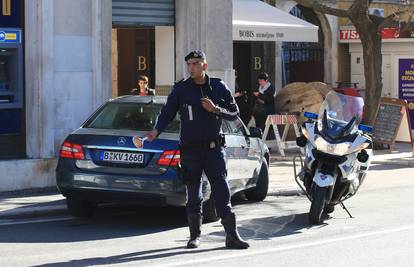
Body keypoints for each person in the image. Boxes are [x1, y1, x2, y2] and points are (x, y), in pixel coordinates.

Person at [146, 50, 249, 250]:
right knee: (193, 193)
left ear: (204, 65)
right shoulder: (181, 89)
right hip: (190, 151)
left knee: (221, 192)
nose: (191, 68)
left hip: (214, 150)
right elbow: (167, 113)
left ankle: (232, 235)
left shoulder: (218, 87)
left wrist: (215, 109)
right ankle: (194, 236)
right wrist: (156, 131)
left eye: (195, 63)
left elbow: (235, 113)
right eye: (189, 64)